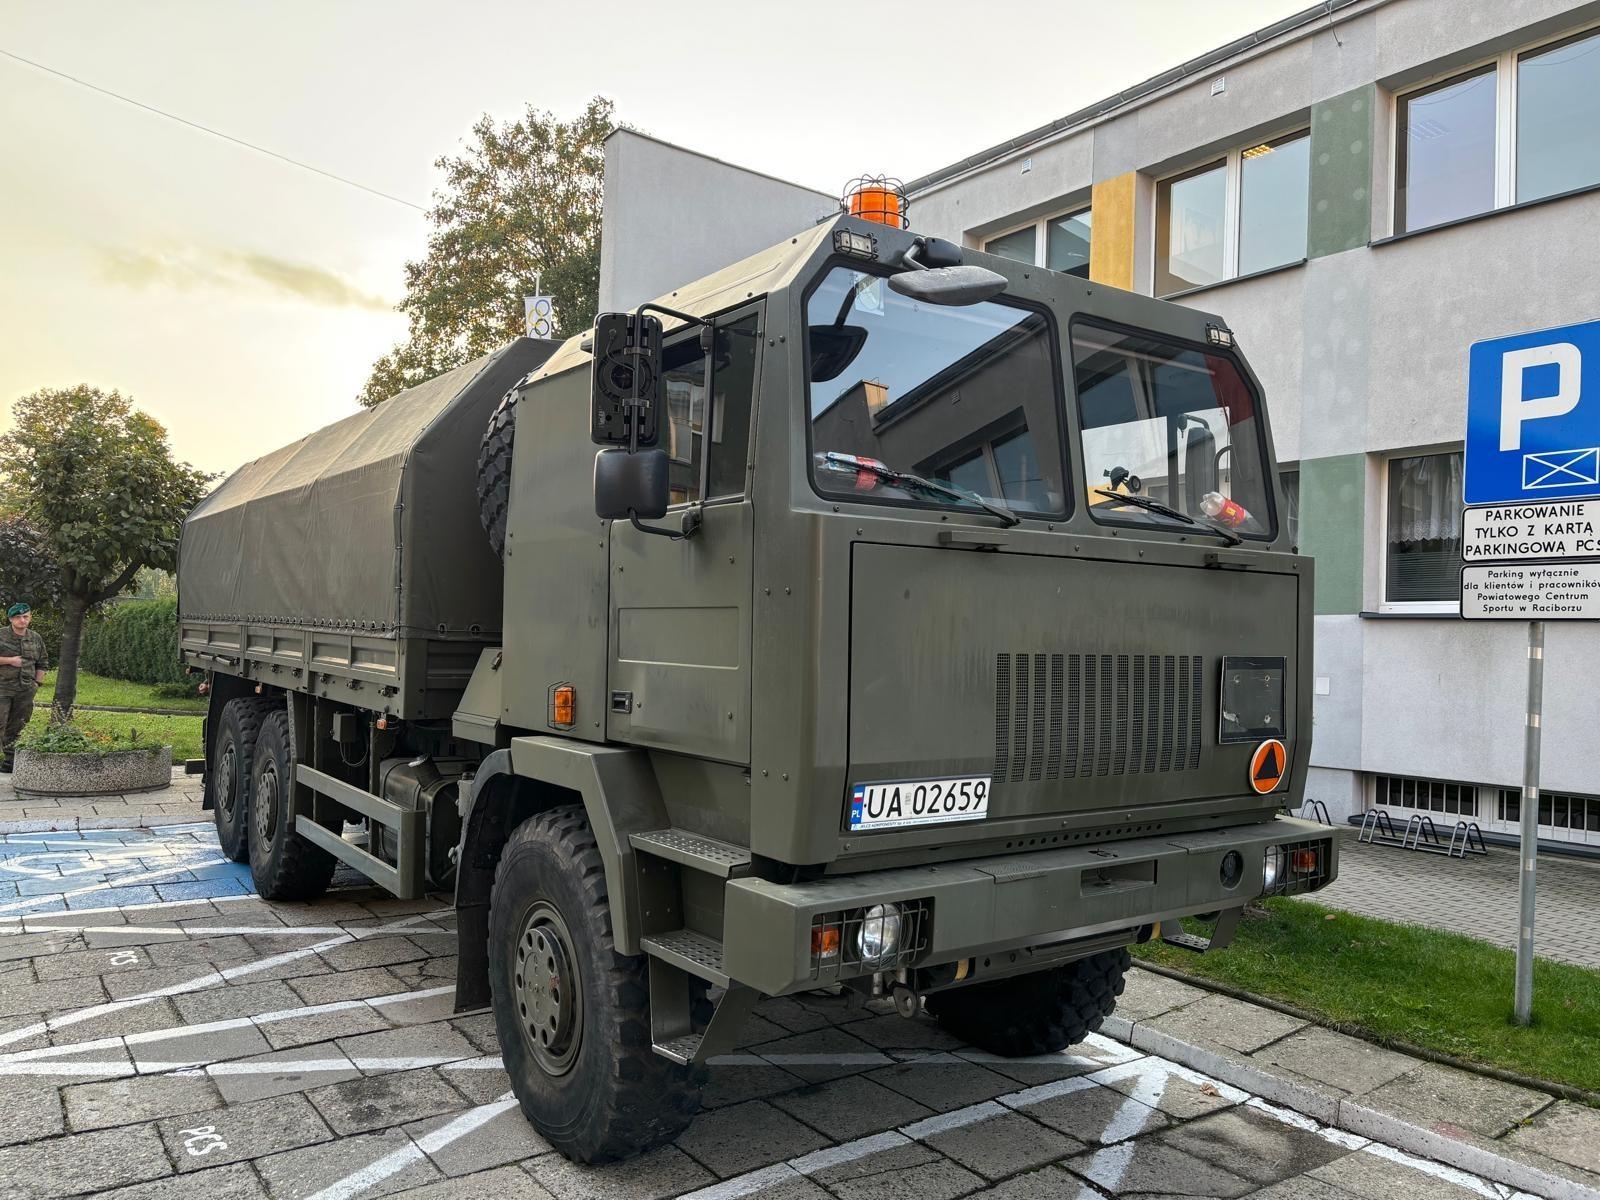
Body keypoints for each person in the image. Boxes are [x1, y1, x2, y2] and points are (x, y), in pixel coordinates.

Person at [0, 603, 49, 772]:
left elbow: (42, 662)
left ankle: (10, 760)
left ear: (30, 617)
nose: (23, 620)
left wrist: (37, 684)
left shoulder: (35, 638)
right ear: (11, 619)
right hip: (3, 688)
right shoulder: (1, 635)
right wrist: (9, 661)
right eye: (18, 617)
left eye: (26, 616)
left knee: (17, 725)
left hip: (25, 689)